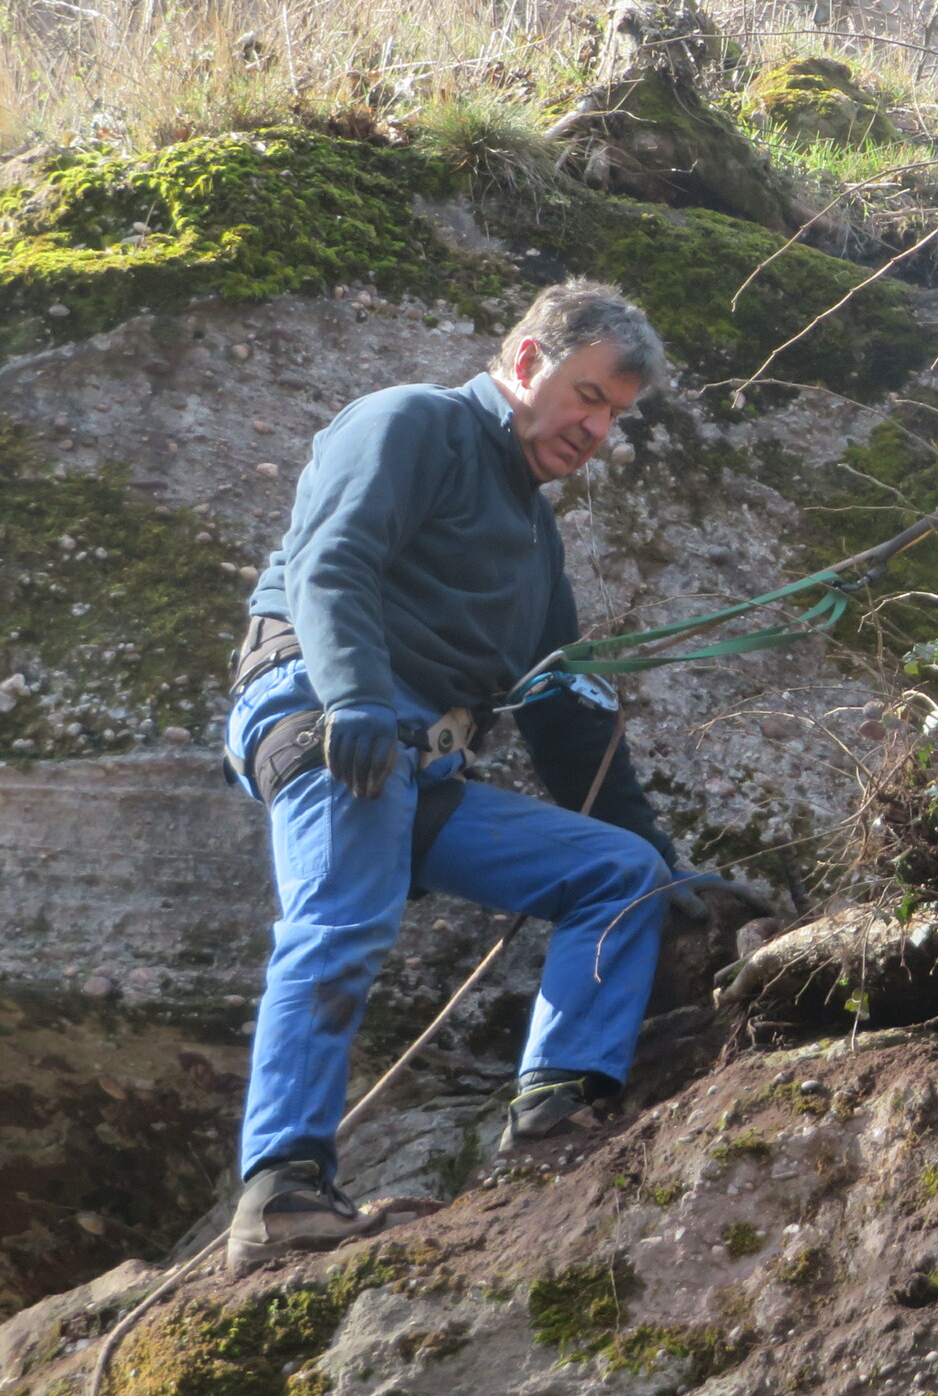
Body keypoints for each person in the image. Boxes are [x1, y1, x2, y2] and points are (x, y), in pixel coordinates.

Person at [222, 280, 714, 1272]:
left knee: (616, 875)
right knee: (343, 922)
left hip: (415, 760)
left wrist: (668, 866)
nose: (597, 431)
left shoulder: (536, 542)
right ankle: (281, 1192)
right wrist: (356, 697)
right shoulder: (413, 423)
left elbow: (566, 714)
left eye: (614, 415)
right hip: (327, 717)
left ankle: (554, 1114)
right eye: (588, 397)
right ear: (527, 361)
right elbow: (332, 562)